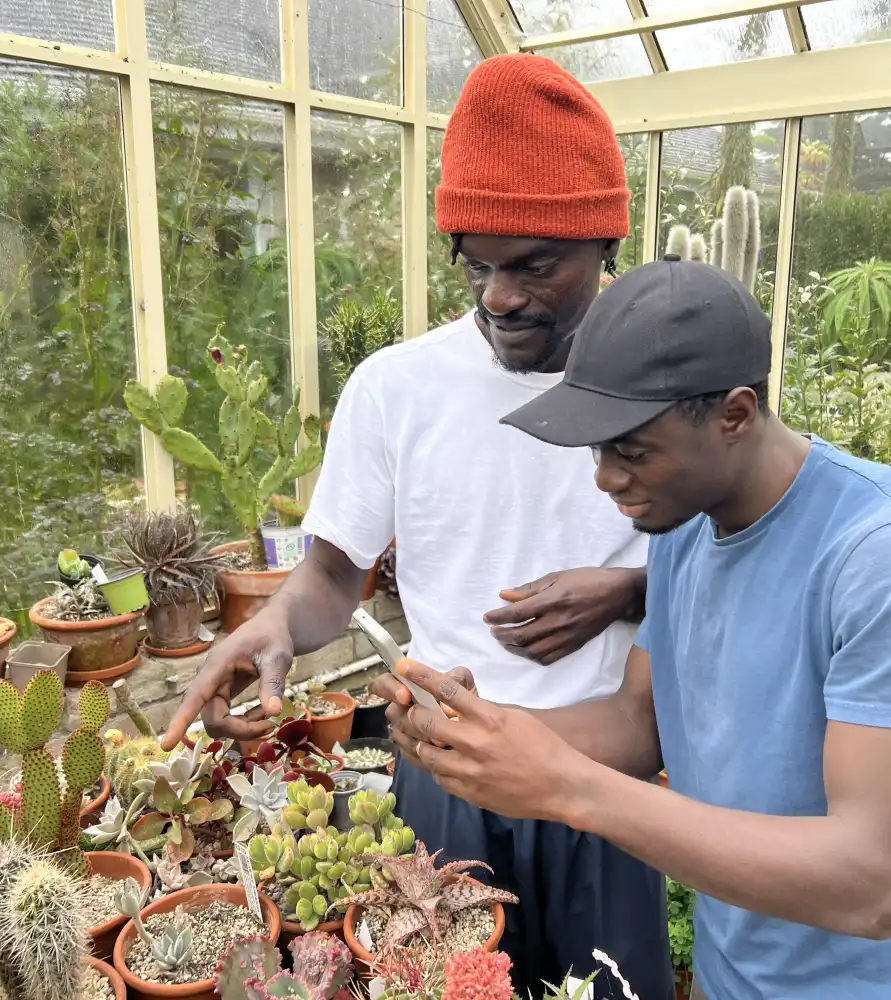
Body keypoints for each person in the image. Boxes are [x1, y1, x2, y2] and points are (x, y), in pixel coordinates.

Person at [163, 53, 673, 1000]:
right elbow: (330, 578)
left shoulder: (659, 392)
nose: (499, 298)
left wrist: (629, 592)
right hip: (449, 779)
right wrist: (273, 625)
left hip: (602, 769)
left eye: (533, 266)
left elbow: (719, 565)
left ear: (607, 243)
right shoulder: (396, 387)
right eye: (476, 265)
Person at [378, 254, 891, 1000]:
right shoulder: (685, 530)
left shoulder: (887, 558)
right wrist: (477, 735)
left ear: (734, 414)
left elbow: (875, 882)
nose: (604, 477)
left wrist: (568, 789)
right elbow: (641, 725)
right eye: (598, 448)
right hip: (728, 976)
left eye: (632, 450)